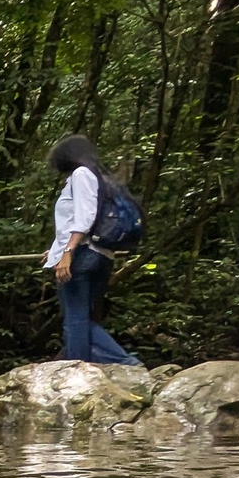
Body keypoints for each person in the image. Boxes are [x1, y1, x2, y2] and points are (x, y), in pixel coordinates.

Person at [45, 135, 138, 365]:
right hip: (101, 255)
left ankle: (81, 372)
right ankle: (119, 364)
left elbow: (84, 217)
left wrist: (67, 252)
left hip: (83, 255)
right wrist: (55, 249)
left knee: (75, 320)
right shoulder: (100, 177)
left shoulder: (81, 174)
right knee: (83, 319)